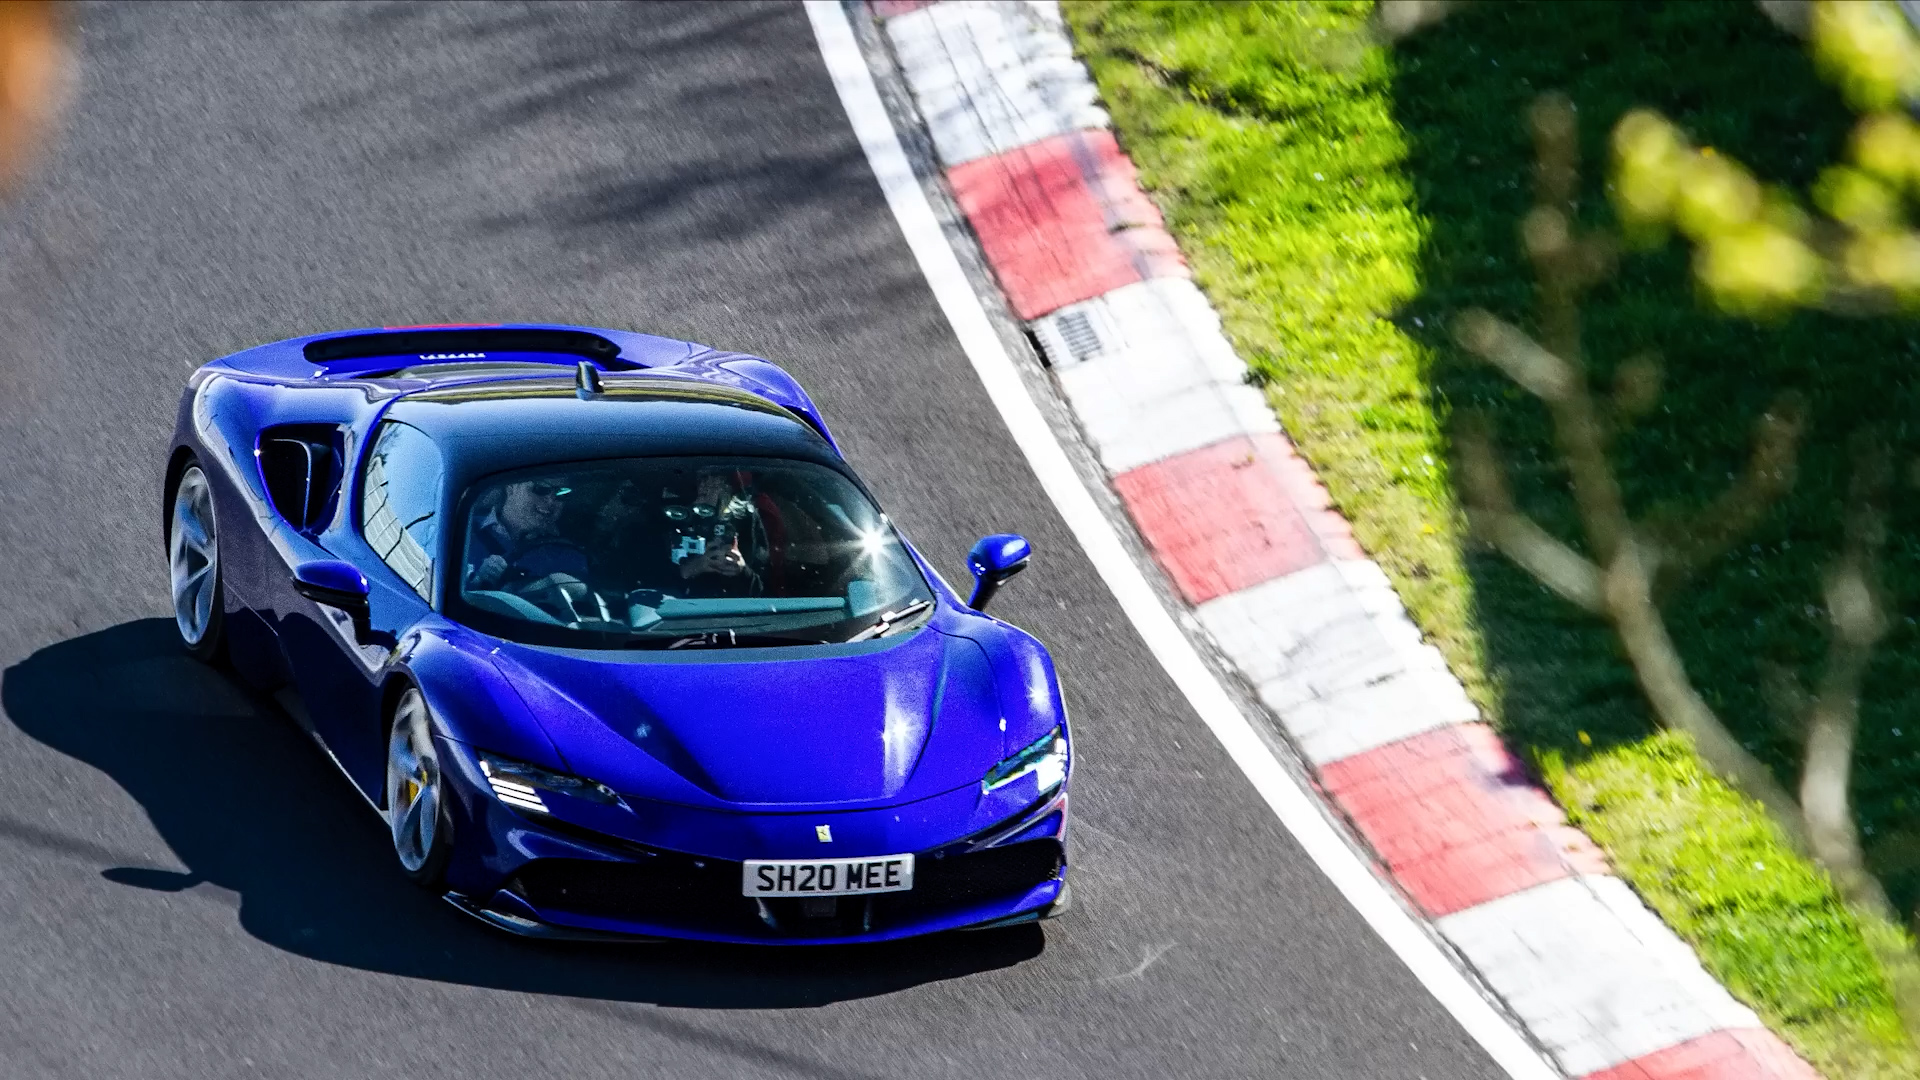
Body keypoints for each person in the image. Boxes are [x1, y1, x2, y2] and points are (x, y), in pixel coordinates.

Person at [467, 477, 590, 592]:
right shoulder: (463, 529)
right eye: (541, 489)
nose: (551, 500)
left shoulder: (569, 554)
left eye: (562, 493)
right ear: (511, 488)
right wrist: (475, 583)